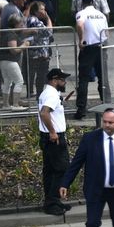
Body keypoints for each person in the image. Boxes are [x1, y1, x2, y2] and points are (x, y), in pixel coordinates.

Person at [38, 68, 73, 216]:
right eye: (62, 79)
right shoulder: (52, 94)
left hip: (46, 137)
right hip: (54, 137)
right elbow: (44, 112)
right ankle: (52, 203)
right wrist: (53, 132)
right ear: (55, 80)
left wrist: (62, 101)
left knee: (50, 170)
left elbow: (50, 108)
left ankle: (52, 201)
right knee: (62, 169)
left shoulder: (48, 93)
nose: (64, 82)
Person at [74, 0, 109, 120]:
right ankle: (107, 106)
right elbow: (106, 33)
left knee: (83, 79)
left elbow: (79, 24)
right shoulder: (101, 15)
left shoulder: (81, 13)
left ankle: (81, 109)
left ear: (82, 4)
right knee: (103, 78)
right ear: (93, 3)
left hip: (88, 48)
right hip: (101, 47)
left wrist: (81, 39)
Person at [0, 13, 29, 111]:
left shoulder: (8, 32)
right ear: (15, 24)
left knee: (7, 82)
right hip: (10, 61)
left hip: (4, 61)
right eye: (21, 24)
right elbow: (13, 50)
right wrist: (24, 45)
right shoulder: (11, 34)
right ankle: (15, 105)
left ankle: (6, 105)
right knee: (19, 81)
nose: (23, 26)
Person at [25, 0, 53, 96]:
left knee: (37, 74)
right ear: (36, 11)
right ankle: (38, 94)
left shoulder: (33, 20)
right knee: (39, 75)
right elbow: (49, 32)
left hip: (39, 52)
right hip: (38, 53)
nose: (44, 11)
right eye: (42, 9)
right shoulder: (34, 20)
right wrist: (48, 18)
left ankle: (36, 93)